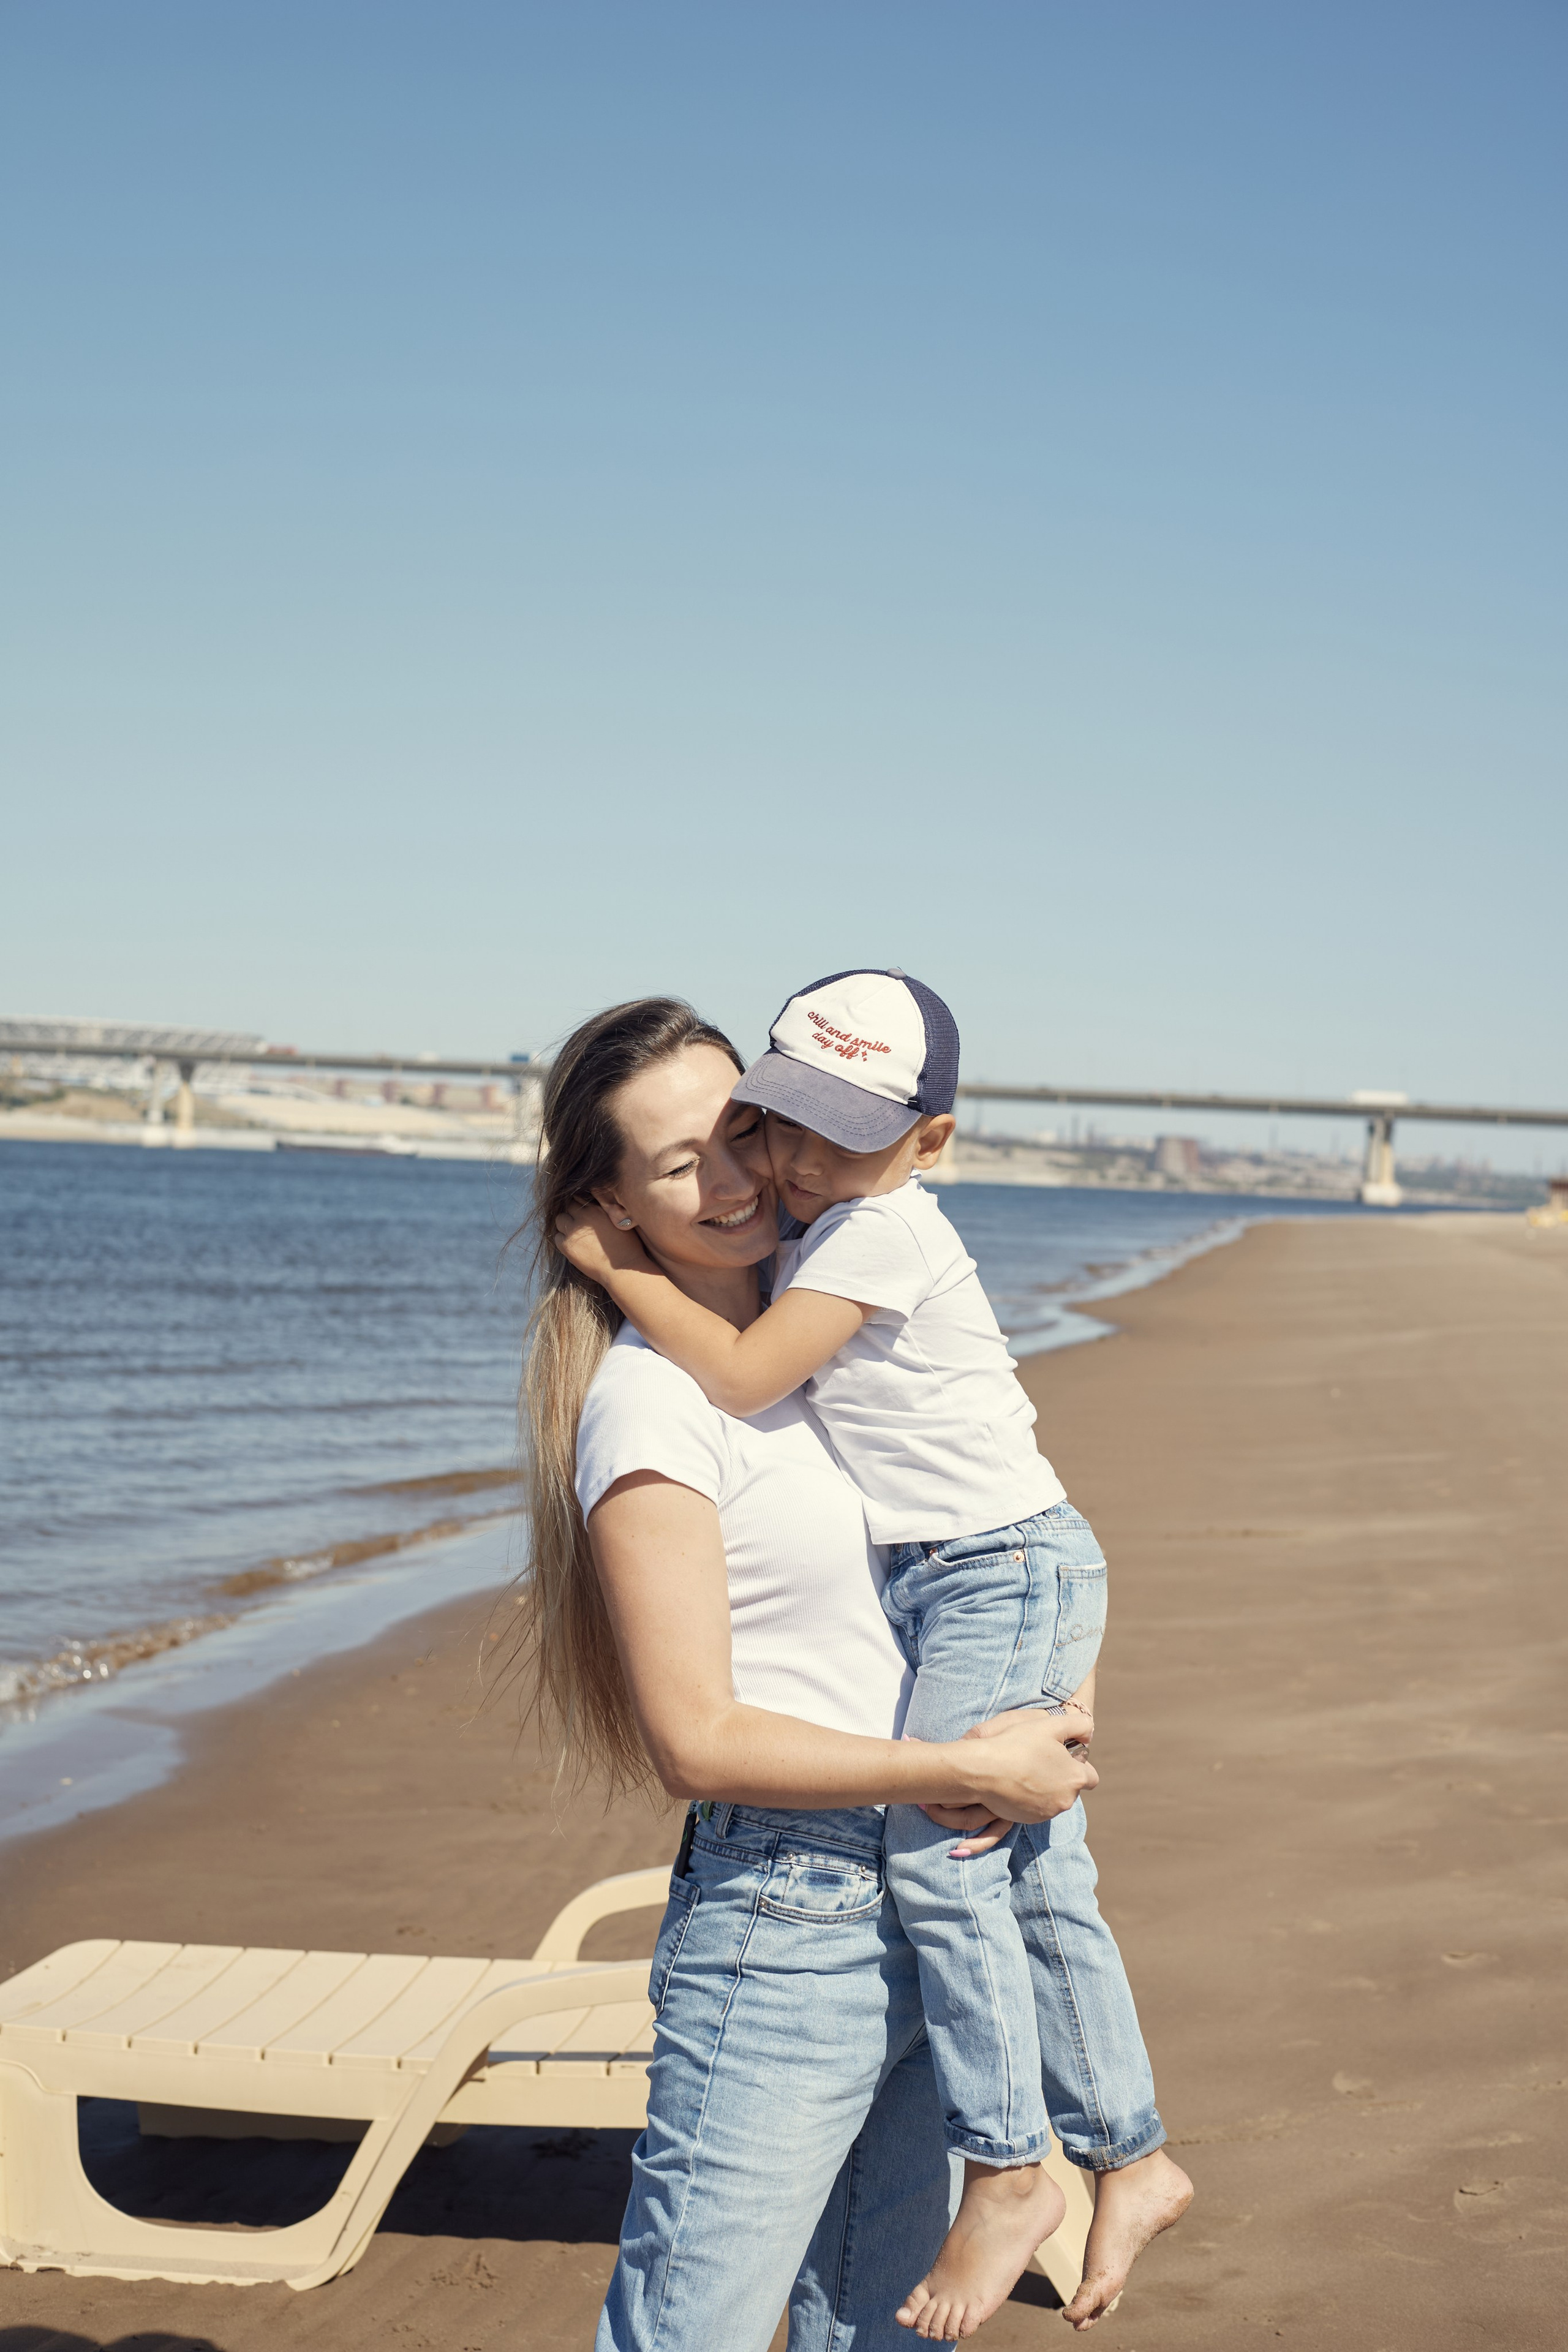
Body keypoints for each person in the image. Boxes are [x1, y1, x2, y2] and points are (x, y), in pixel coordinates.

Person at [554, 970, 1193, 2341]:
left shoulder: (825, 1330)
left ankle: (1112, 2153)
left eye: (745, 1129)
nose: (745, 1175)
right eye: (683, 1161)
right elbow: (693, 1741)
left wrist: (1047, 1714)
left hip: (927, 1901)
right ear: (609, 1201)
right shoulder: (654, 1402)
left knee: (877, 2329)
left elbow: (996, 1534)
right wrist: (966, 1769)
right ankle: (1044, 2168)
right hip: (790, 1928)